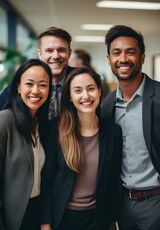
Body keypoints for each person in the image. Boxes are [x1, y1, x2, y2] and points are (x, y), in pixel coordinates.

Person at [40, 67, 122, 230]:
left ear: (99, 91)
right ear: (70, 97)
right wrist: (45, 222)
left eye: (91, 88)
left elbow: (113, 180)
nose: (86, 96)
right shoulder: (56, 129)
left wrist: (113, 221)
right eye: (78, 91)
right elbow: (46, 181)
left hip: (99, 219)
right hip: (63, 218)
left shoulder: (112, 131)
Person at [101, 25, 160, 230]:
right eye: (116, 53)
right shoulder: (106, 106)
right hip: (124, 204)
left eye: (131, 52)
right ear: (109, 59)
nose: (123, 59)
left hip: (156, 201)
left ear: (142, 58)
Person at [0, 59, 52, 230]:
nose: (36, 91)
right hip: (12, 216)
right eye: (29, 84)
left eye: (43, 85)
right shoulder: (5, 120)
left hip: (35, 211)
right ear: (18, 87)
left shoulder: (41, 124)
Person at [0, 26, 75, 118]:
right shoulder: (25, 80)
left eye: (61, 50)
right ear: (39, 54)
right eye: (49, 50)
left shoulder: (81, 79)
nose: (55, 56)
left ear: (69, 53)